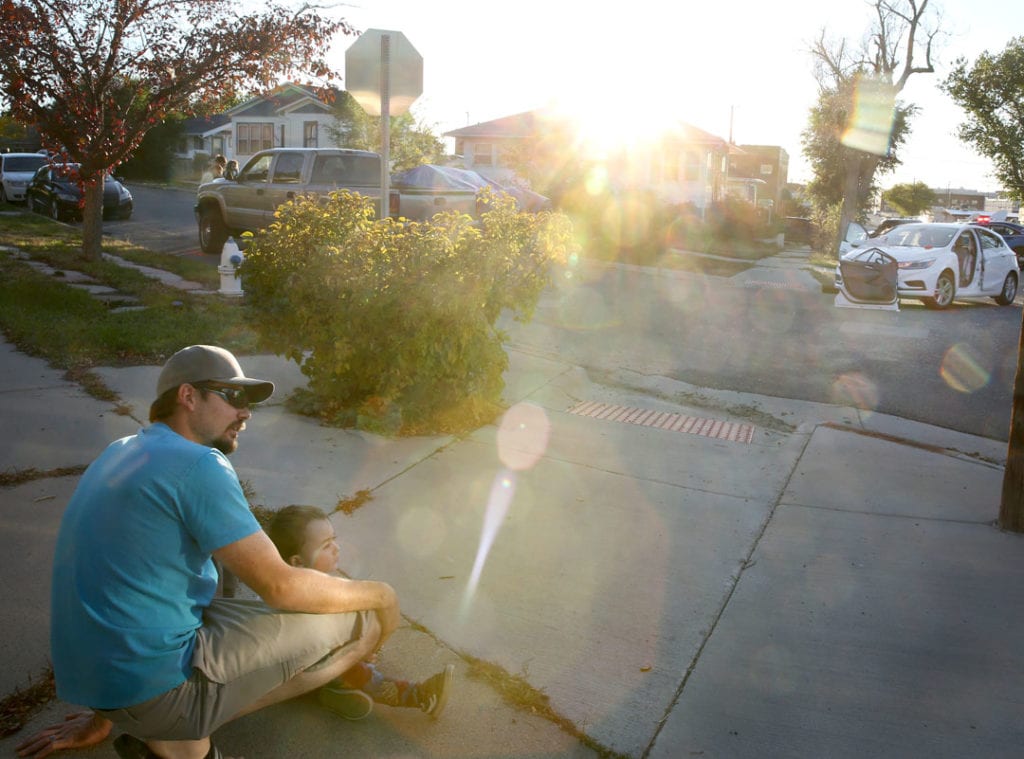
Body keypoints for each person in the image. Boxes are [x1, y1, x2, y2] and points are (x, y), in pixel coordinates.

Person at [16, 345, 400, 759]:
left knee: (224, 564)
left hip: (98, 683)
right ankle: (175, 726)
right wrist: (383, 595)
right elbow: (281, 587)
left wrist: (104, 713)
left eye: (248, 402)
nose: (246, 413)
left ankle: (160, 724)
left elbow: (115, 583)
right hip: (151, 692)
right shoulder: (199, 465)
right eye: (233, 397)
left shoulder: (122, 449)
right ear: (188, 396)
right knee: (358, 617)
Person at [266, 505, 454, 720]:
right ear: (297, 562)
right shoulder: (301, 600)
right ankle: (420, 696)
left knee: (360, 640)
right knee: (360, 673)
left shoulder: (303, 586)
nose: (336, 548)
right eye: (326, 546)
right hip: (296, 674)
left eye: (334, 539)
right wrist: (359, 653)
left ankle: (333, 692)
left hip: (310, 663)